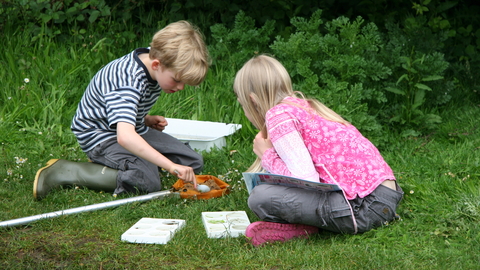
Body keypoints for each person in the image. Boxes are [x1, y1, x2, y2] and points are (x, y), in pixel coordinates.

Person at [234, 55, 403, 246]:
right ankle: (306, 226)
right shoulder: (302, 106)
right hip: (382, 197)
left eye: (243, 106)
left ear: (253, 100)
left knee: (260, 197)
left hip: (365, 207)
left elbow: (306, 181)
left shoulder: (278, 116)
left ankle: (304, 227)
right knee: (267, 191)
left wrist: (268, 156)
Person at [33, 21, 210, 200]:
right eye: (177, 80)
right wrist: (171, 167)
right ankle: (67, 171)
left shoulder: (158, 61)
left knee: (192, 162)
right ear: (157, 64)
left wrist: (145, 118)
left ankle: (140, 162)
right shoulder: (128, 80)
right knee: (147, 182)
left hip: (130, 128)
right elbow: (124, 136)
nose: (180, 87)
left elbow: (123, 107)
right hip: (101, 136)